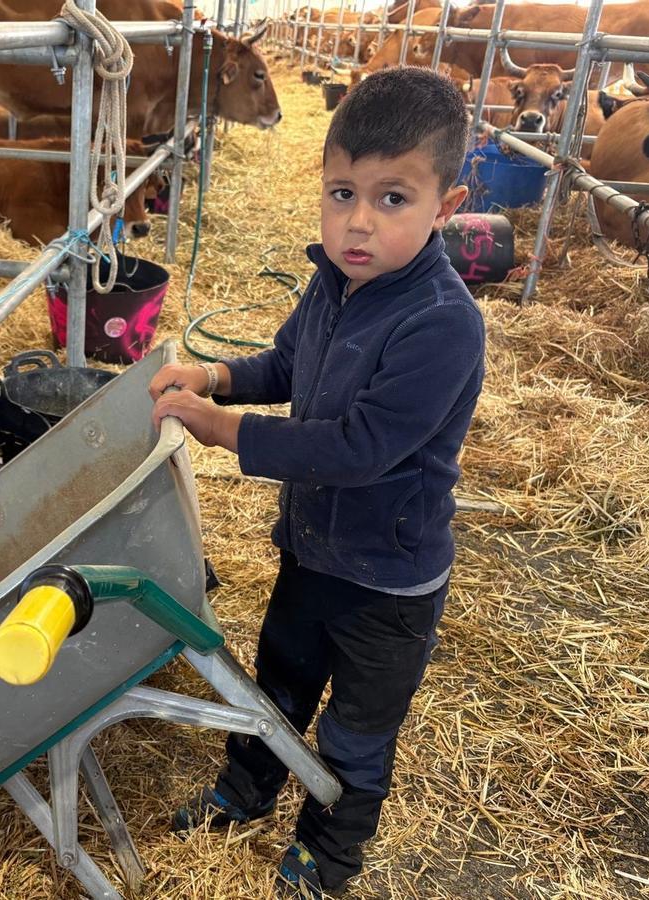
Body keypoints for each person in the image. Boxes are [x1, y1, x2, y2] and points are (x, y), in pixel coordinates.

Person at [149, 67, 485, 898]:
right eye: (342, 193)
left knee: (357, 732)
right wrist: (216, 374)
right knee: (280, 685)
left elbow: (358, 448)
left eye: (393, 198)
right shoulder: (335, 281)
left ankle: (327, 854)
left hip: (387, 582)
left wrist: (220, 427)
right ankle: (246, 789)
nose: (358, 223)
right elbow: (287, 363)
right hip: (310, 550)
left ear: (448, 204)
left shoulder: (443, 322)